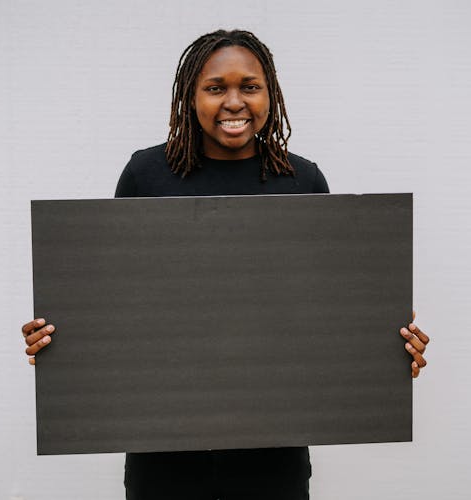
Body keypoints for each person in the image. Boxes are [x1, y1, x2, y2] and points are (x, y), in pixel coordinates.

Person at [21, 29, 430, 500]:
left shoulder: (301, 180)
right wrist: (58, 342)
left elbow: (326, 314)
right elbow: (113, 303)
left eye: (249, 86)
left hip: (274, 457)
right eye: (216, 88)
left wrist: (387, 351)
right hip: (163, 457)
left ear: (269, 94)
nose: (234, 102)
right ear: (189, 98)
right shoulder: (146, 175)